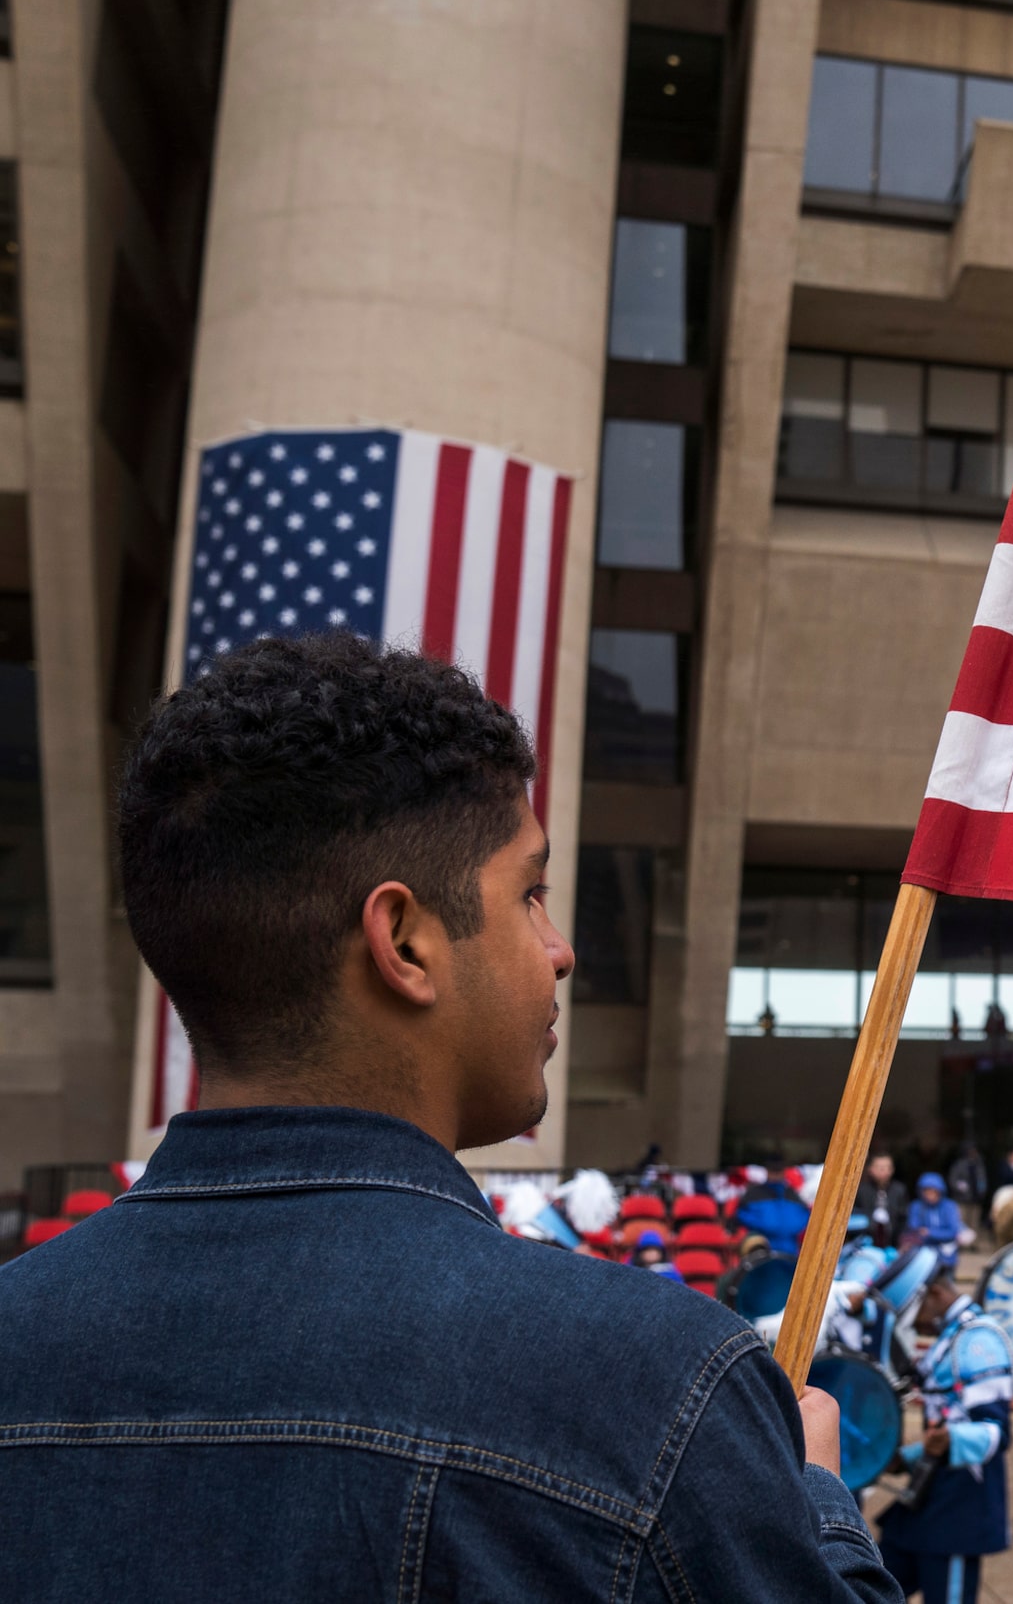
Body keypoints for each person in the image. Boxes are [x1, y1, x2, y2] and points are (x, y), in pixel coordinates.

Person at [0, 638, 898, 1600]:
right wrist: (812, 1507)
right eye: (531, 894)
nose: (560, 952)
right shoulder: (658, 1392)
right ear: (405, 942)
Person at [878, 1278, 1013, 1600]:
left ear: (936, 1293)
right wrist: (908, 1457)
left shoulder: (979, 1339)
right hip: (930, 1493)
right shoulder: (954, 1335)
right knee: (875, 1585)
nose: (920, 1327)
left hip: (960, 1504)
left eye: (917, 1317)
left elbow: (996, 1432)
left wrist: (951, 1439)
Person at [905, 1171, 964, 1271]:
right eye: (927, 1191)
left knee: (945, 1283)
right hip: (922, 1254)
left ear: (940, 1191)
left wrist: (930, 1232)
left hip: (946, 1255)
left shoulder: (949, 1206)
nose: (930, 1195)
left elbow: (953, 1231)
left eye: (934, 1191)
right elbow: (914, 1228)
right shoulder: (916, 1206)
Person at [854, 1150, 905, 1245]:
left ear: (892, 1169)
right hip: (865, 1242)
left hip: (893, 1242)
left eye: (886, 1167)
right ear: (870, 1169)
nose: (883, 1171)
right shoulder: (861, 1190)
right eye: (879, 1167)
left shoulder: (899, 1190)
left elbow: (903, 1218)